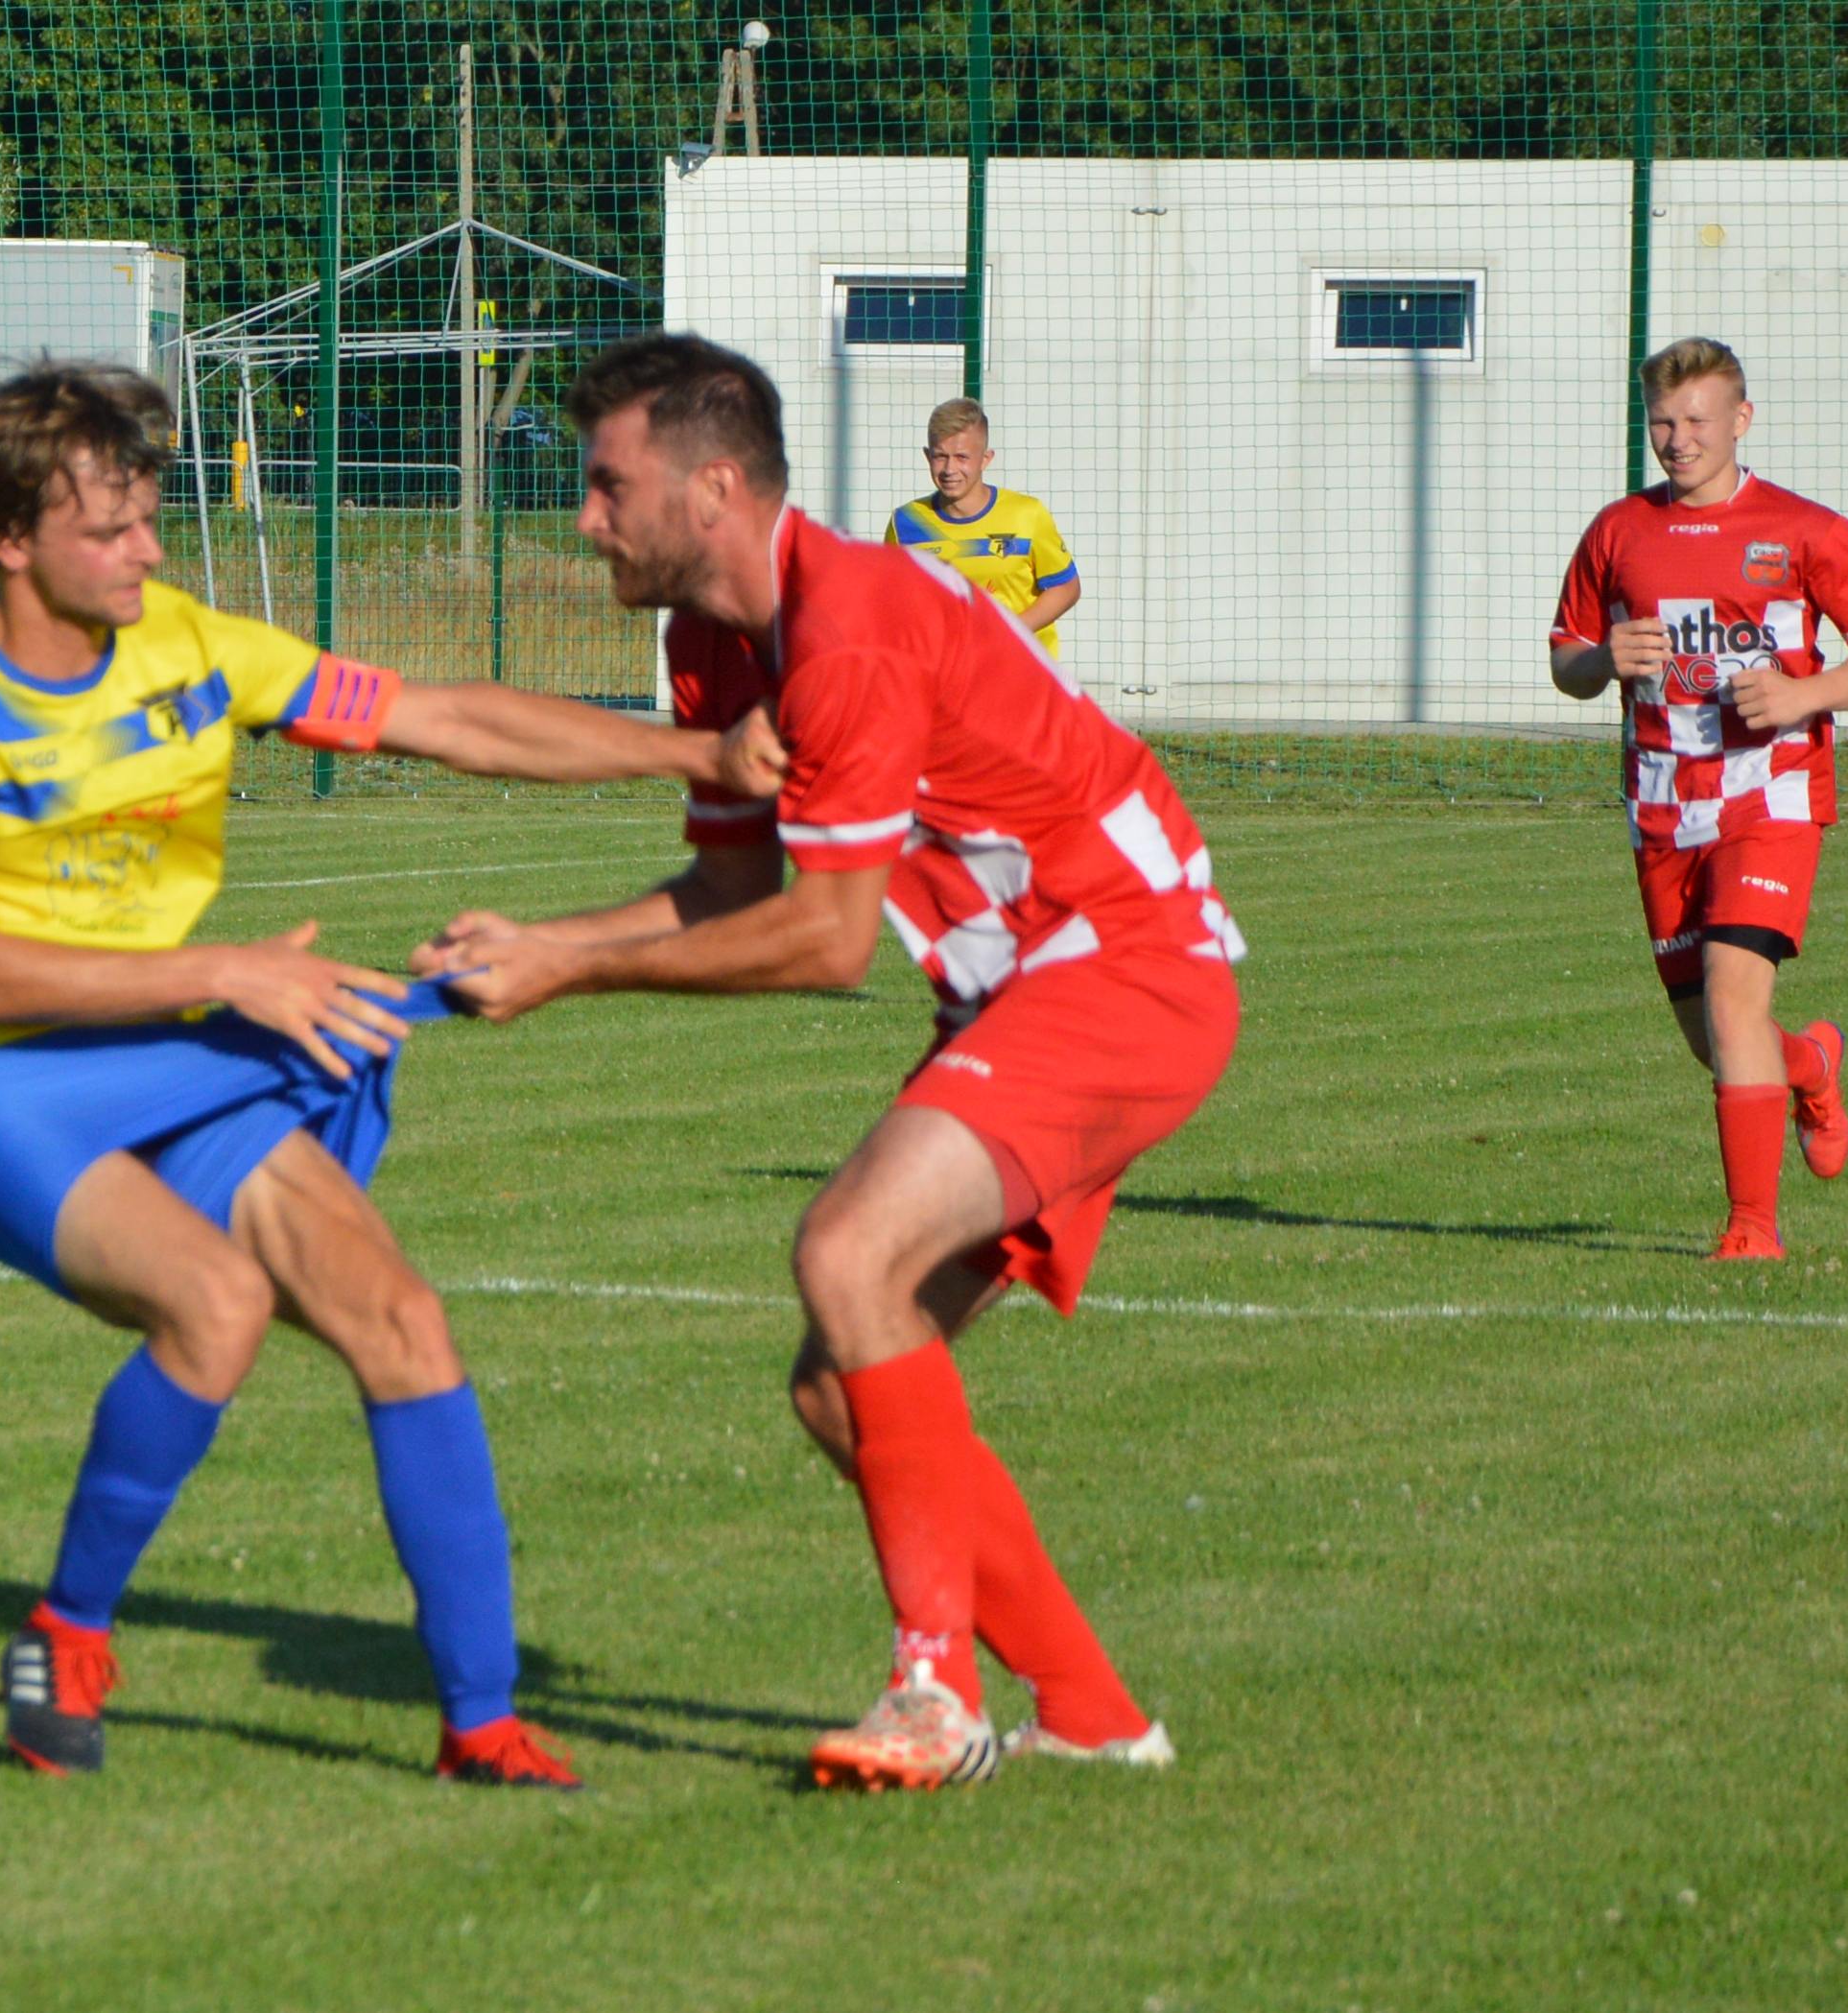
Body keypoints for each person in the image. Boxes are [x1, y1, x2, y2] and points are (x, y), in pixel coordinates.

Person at [0, 361, 743, 1786]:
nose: (149, 551)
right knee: (216, 1299)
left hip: (164, 1052)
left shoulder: (192, 646)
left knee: (399, 1315)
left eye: (150, 518)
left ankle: (482, 1726)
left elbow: (449, 718)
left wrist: (699, 751)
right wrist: (235, 973)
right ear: (10, 542)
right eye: (112, 529)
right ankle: (68, 1633)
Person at [417, 334, 1244, 1790]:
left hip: (1122, 962)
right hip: (1027, 988)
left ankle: (935, 1692)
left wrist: (563, 969)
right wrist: (543, 942)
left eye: (610, 488)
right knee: (836, 1382)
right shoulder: (712, 640)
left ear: (713, 489)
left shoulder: (848, 627)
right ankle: (1095, 1713)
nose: (585, 518)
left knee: (847, 1249)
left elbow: (823, 941)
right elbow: (737, 894)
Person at [1551, 337, 1848, 1260]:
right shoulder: (1616, 531)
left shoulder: (1804, 530)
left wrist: (1805, 694)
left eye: (1696, 421)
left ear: (1741, 420)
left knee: (1730, 1000)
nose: (1678, 441)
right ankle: (1812, 1065)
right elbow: (1567, 660)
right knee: (1715, 1037)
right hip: (1664, 808)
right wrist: (1603, 661)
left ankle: (1752, 1231)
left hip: (1772, 800)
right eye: (1662, 423)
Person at [884, 396, 1079, 656]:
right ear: (927, 456)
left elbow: (1066, 587)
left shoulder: (1027, 514)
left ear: (985, 459)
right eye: (940, 456)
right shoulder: (905, 523)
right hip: (947, 680)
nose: (949, 469)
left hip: (1021, 676)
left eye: (962, 457)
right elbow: (894, 604)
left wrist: (1009, 632)